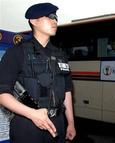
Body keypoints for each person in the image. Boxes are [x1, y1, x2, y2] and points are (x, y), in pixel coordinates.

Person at [0, 2, 76, 143]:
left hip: (57, 123)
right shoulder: (17, 52)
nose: (55, 21)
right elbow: (2, 94)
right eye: (50, 17)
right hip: (27, 124)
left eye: (56, 18)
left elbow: (67, 91)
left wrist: (70, 123)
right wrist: (33, 114)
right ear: (34, 21)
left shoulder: (60, 55)